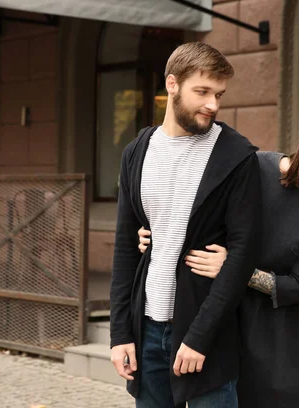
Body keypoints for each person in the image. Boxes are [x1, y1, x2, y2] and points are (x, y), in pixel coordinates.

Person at [138, 97, 299, 408]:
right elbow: (202, 214)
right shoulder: (257, 167)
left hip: (282, 325)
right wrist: (152, 234)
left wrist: (236, 268)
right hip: (225, 306)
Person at [109, 42, 262, 408]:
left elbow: (243, 252)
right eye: (203, 92)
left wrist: (199, 337)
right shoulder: (137, 151)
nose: (213, 104)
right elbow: (126, 247)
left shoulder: (237, 156)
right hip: (146, 329)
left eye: (219, 95)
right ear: (172, 84)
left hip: (206, 335)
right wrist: (120, 335)